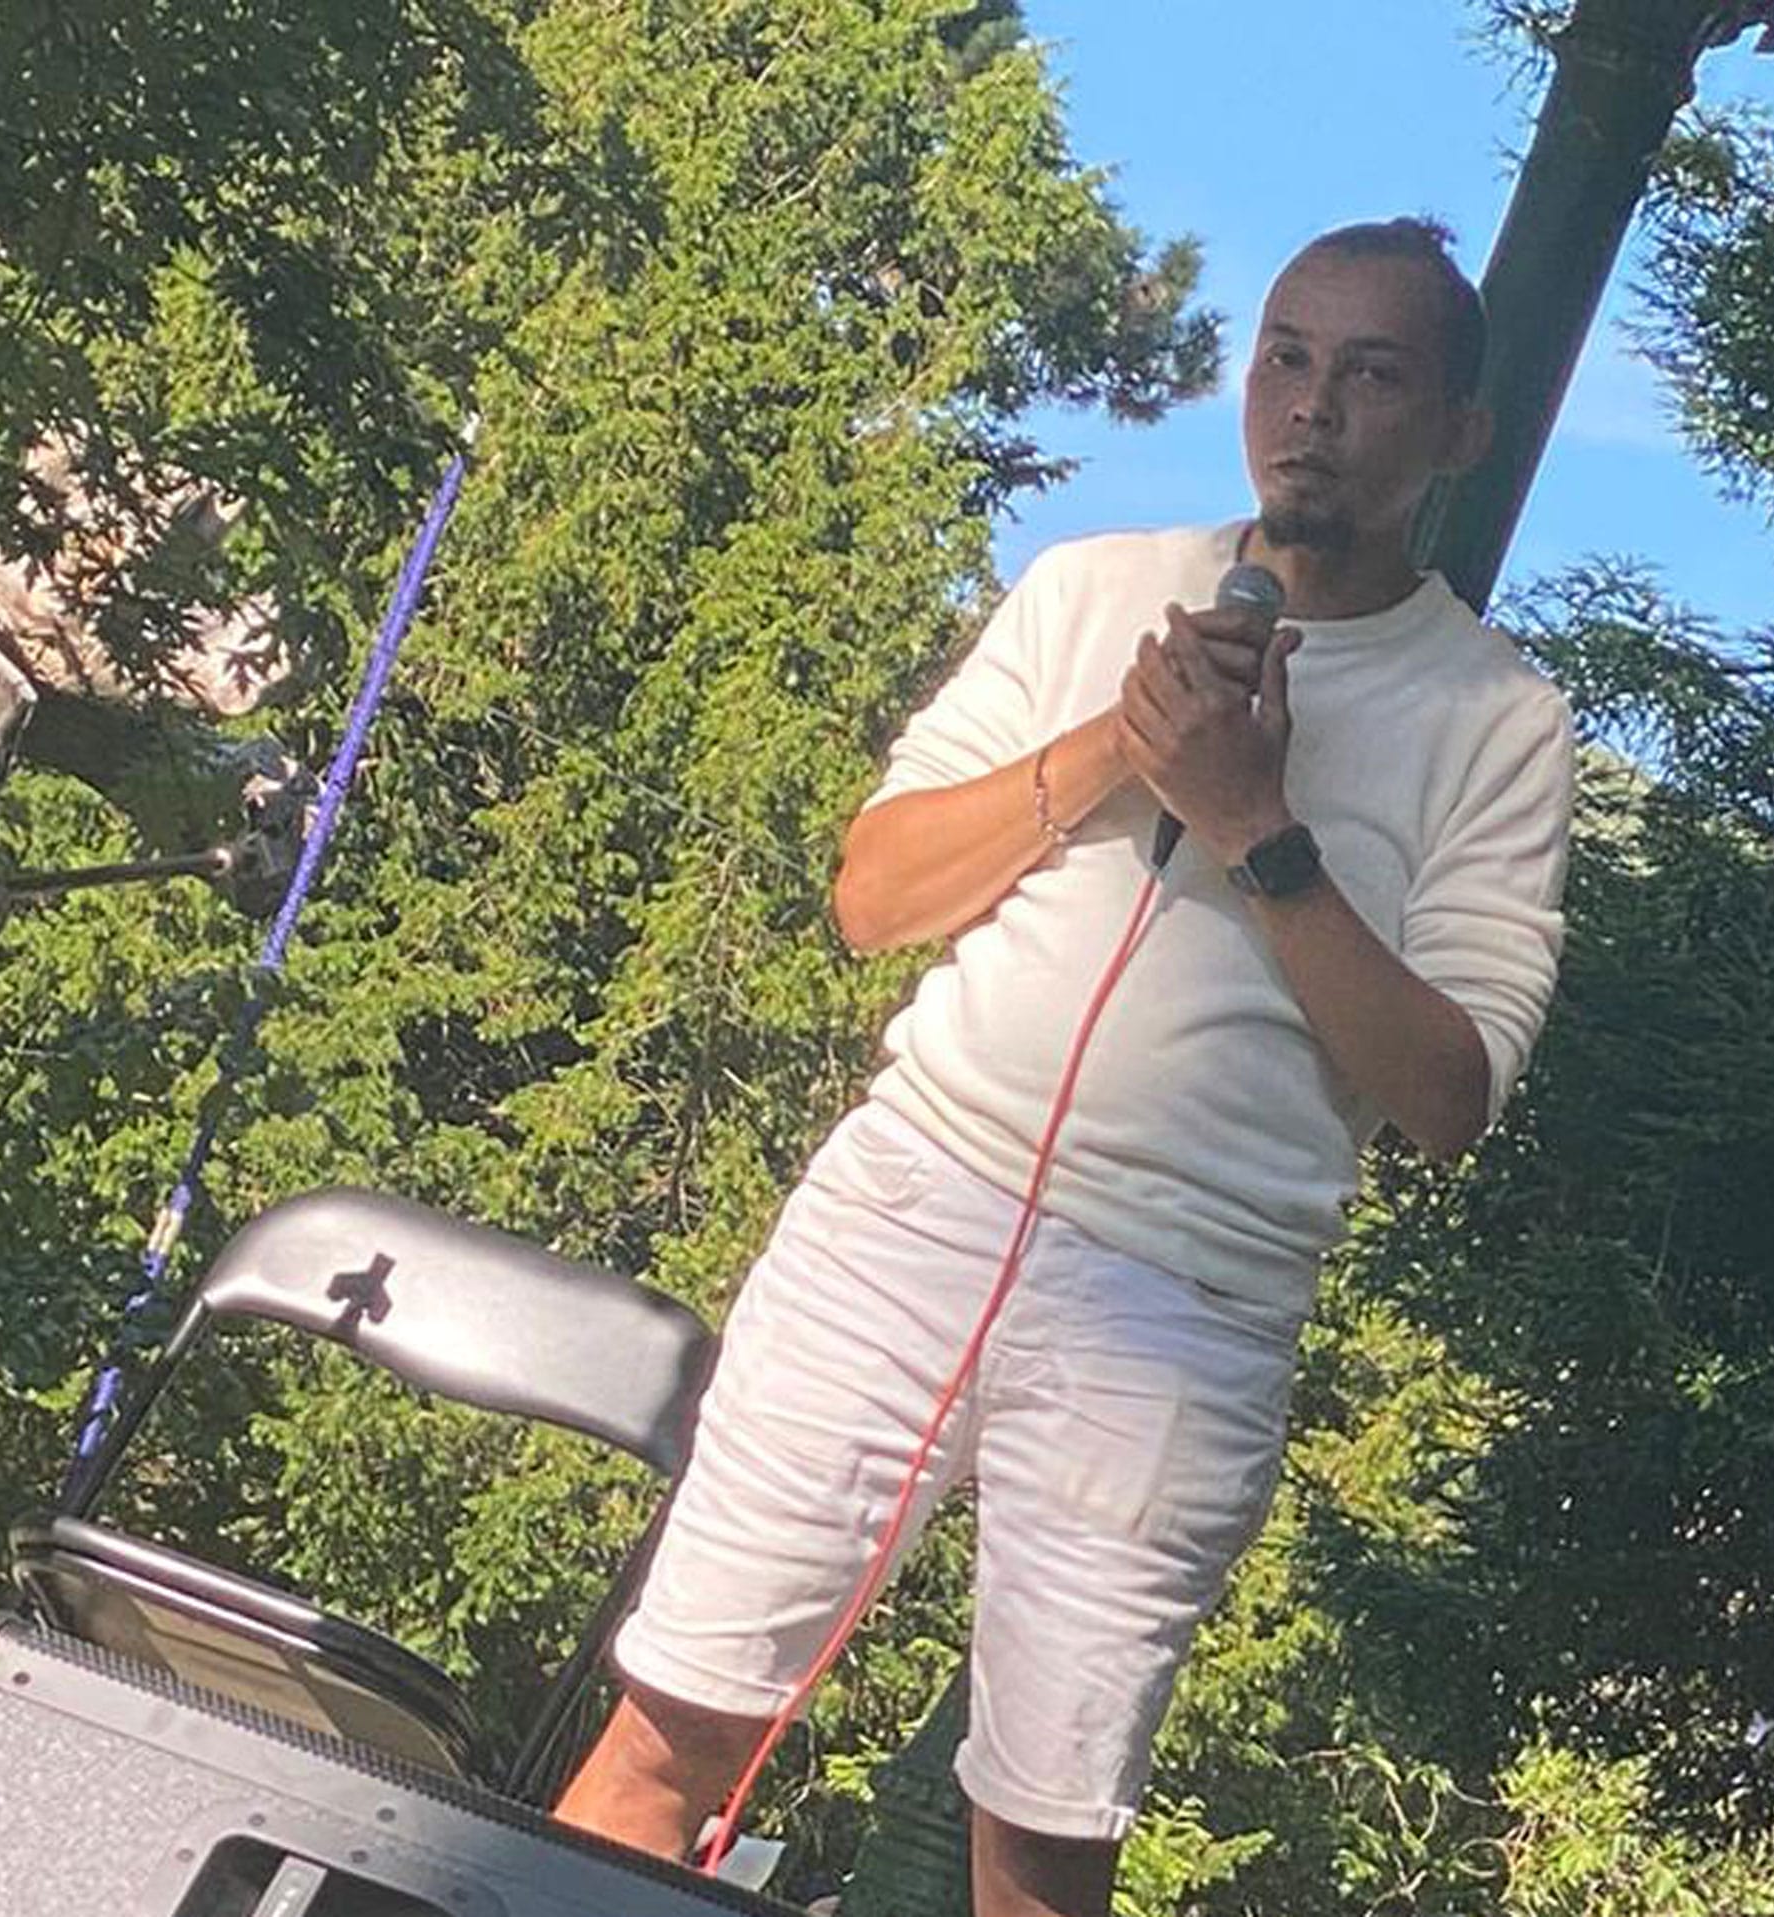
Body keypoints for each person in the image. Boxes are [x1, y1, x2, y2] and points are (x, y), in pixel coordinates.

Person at [553, 217, 1576, 1917]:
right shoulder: (1091, 587)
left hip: (1187, 1301)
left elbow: (1450, 1098)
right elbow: (876, 894)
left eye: (1373, 374)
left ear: (1460, 433)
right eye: (1287, 357)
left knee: (1036, 1858)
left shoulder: (1498, 721)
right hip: (911, 1203)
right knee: (669, 1741)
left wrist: (1258, 826)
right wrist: (1131, 737)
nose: (1310, 407)